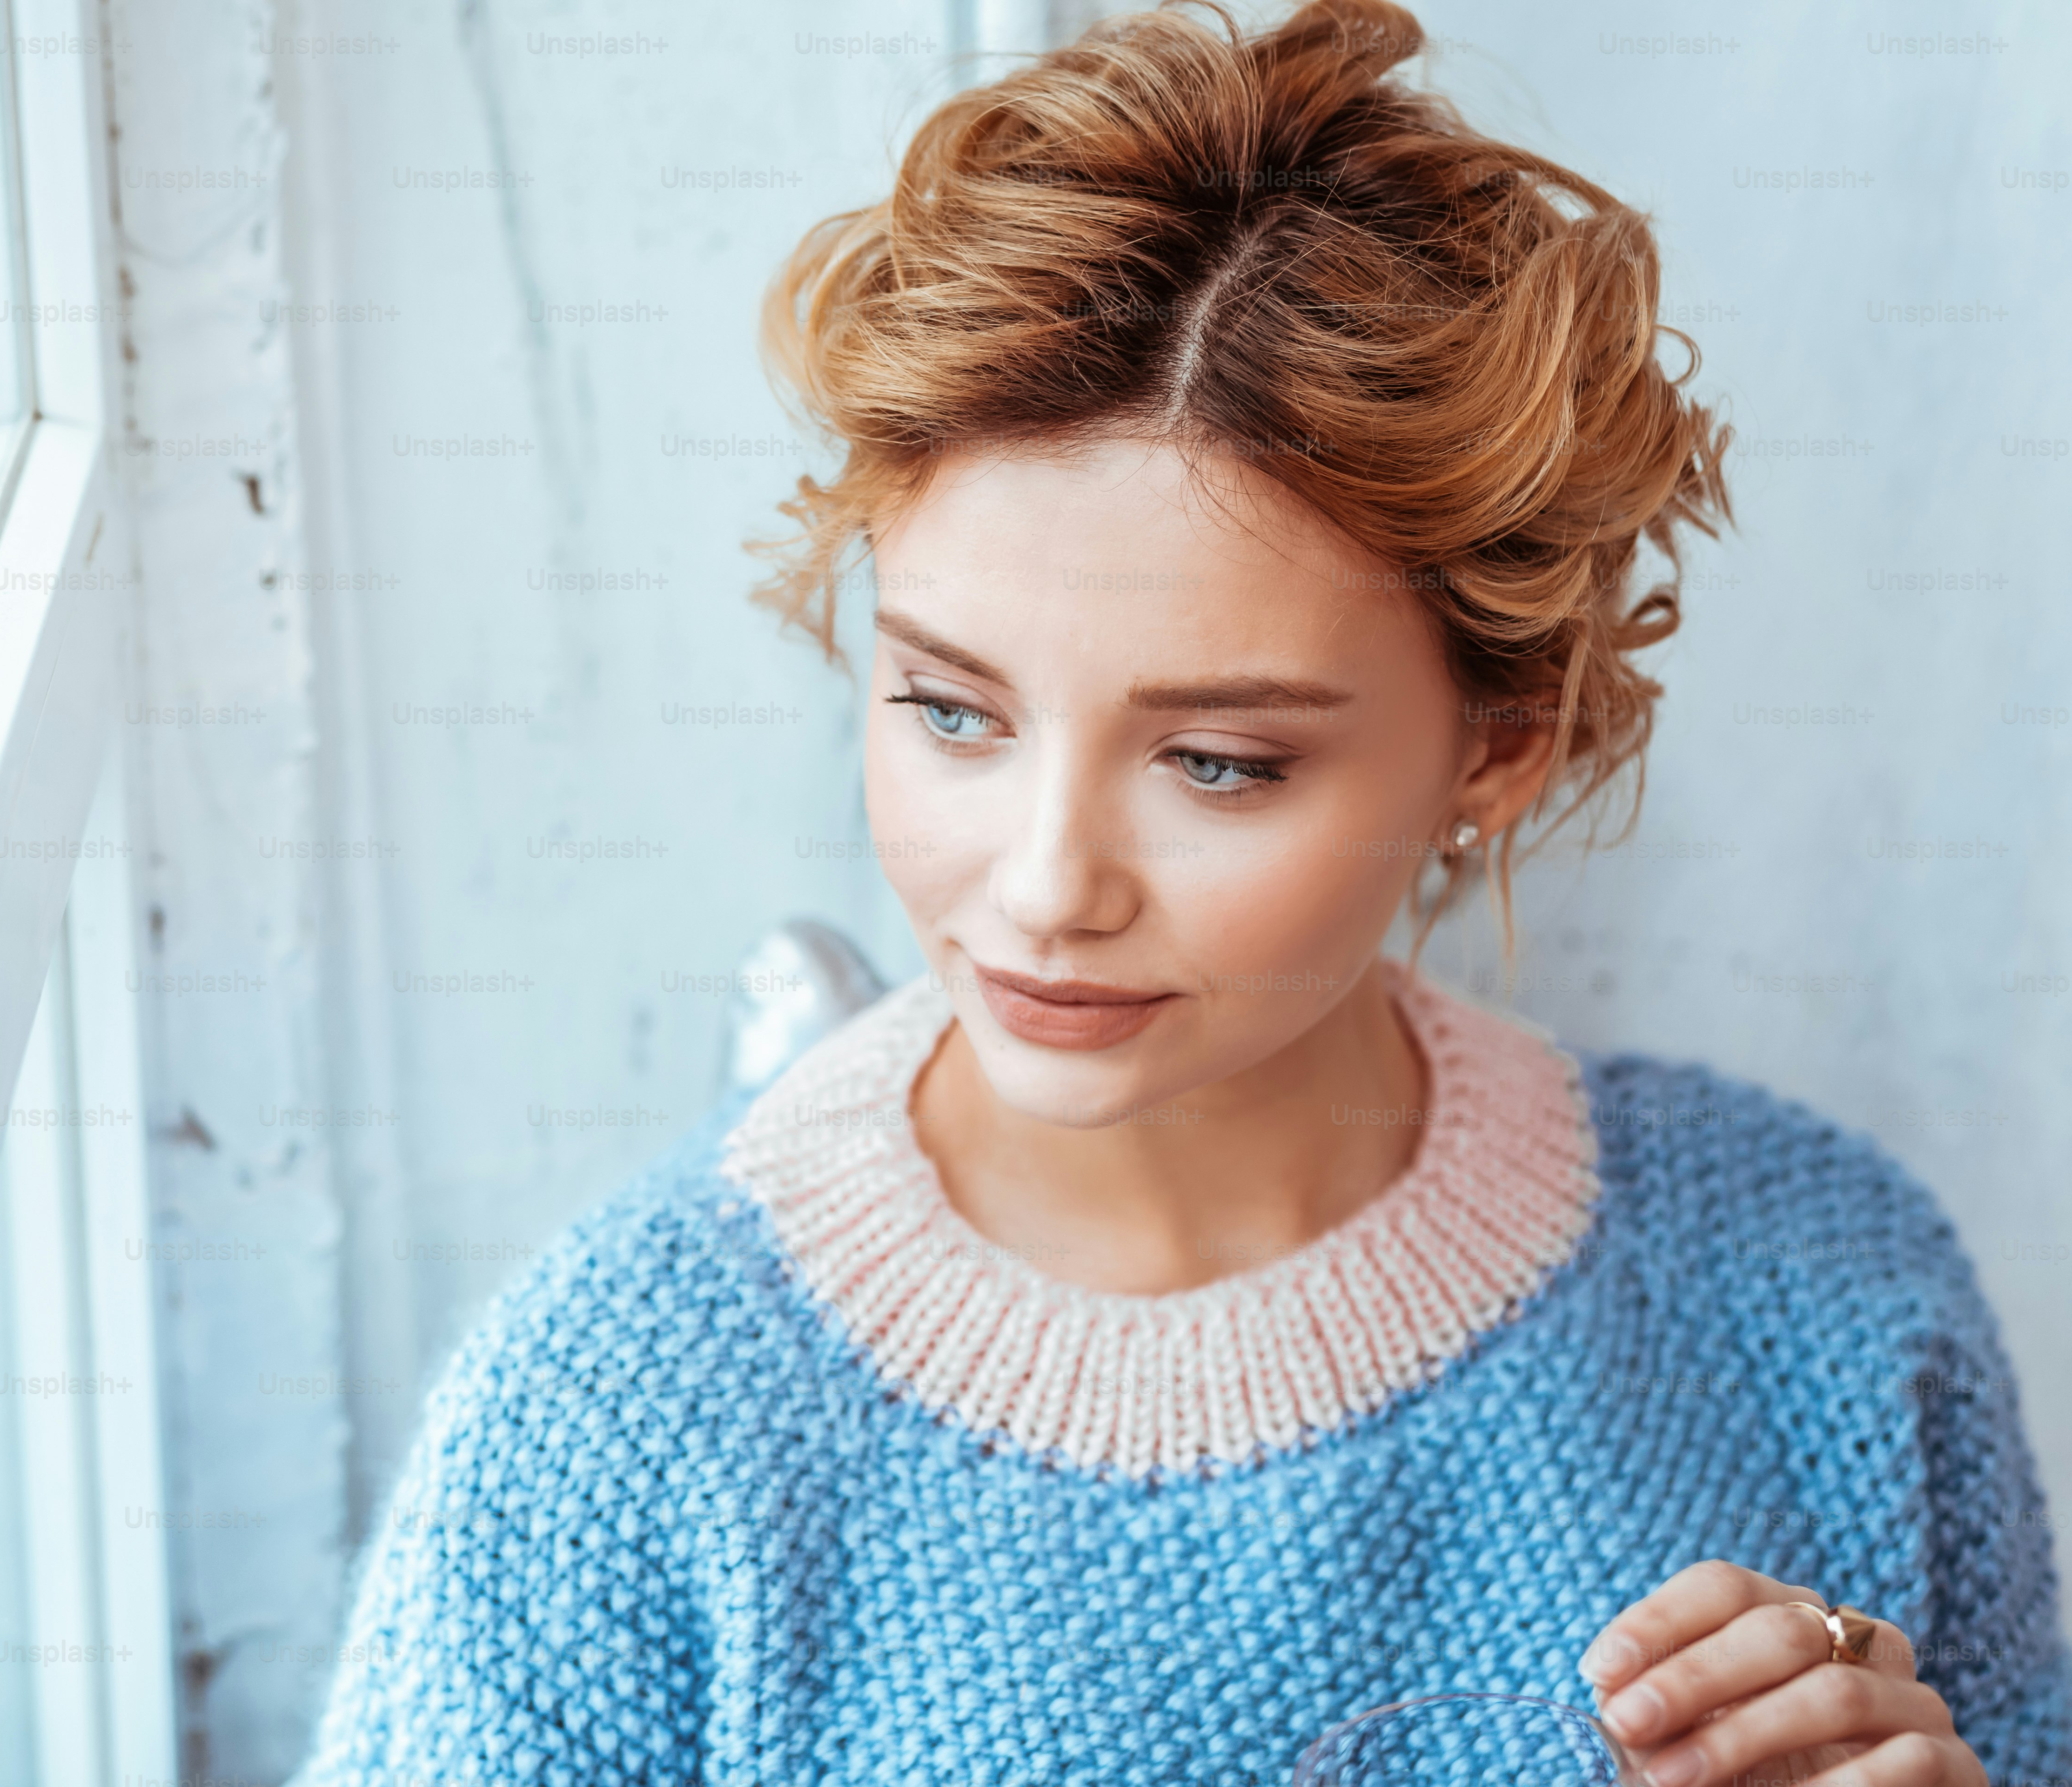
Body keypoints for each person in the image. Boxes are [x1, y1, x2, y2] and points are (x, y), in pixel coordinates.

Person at [303, 2, 2070, 1780]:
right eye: (948, 711)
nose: (1047, 886)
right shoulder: (605, 1428)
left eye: (1220, 762)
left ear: (1499, 748)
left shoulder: (1828, 1291)